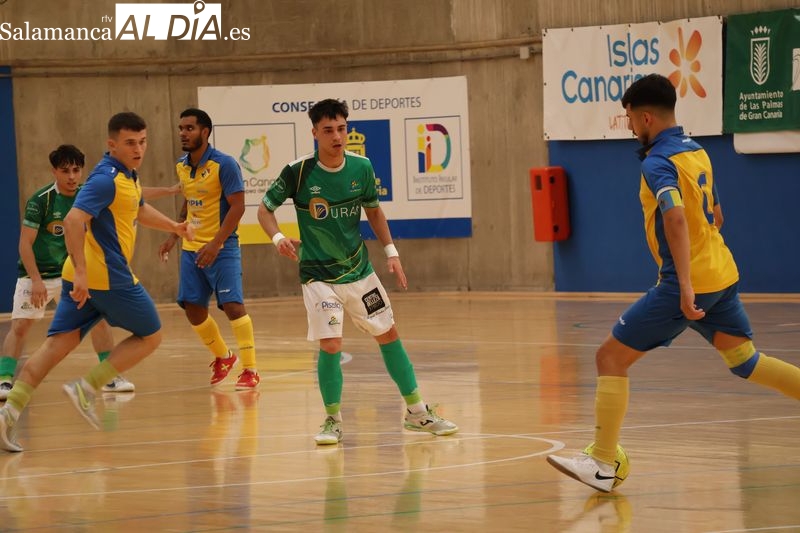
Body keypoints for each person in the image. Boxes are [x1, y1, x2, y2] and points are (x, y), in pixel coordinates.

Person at [546, 73, 800, 492]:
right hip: (721, 272)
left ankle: (603, 462)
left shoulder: (657, 163)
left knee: (610, 358)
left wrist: (683, 285)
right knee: (746, 361)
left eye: (630, 119)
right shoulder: (696, 151)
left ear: (646, 117)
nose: (630, 127)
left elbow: (676, 218)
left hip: (689, 282)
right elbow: (716, 213)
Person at [257, 98, 458, 445]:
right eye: (328, 131)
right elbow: (264, 210)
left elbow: (374, 212)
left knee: (389, 334)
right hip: (318, 275)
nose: (337, 136)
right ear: (315, 133)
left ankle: (417, 412)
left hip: (359, 272)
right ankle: (332, 420)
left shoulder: (361, 167)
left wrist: (392, 253)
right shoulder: (298, 171)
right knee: (331, 343)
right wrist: (277, 238)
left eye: (341, 129)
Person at [0, 112, 194, 452]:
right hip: (107, 277)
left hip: (85, 277)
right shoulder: (106, 179)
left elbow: (138, 209)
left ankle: (6, 417)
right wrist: (83, 273)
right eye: (130, 143)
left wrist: (174, 227)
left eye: (142, 142)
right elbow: (73, 221)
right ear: (112, 144)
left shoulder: (127, 175)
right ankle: (86, 388)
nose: (138, 149)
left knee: (54, 348)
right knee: (151, 335)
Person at [158, 108, 260, 390]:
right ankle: (224, 357)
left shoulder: (224, 165)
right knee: (192, 308)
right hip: (191, 248)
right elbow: (188, 201)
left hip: (222, 247)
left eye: (189, 128)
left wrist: (216, 243)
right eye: (181, 128)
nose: (183, 133)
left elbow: (238, 206)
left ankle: (250, 369)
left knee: (233, 306)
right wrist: (173, 235)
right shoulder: (182, 165)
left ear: (205, 132)